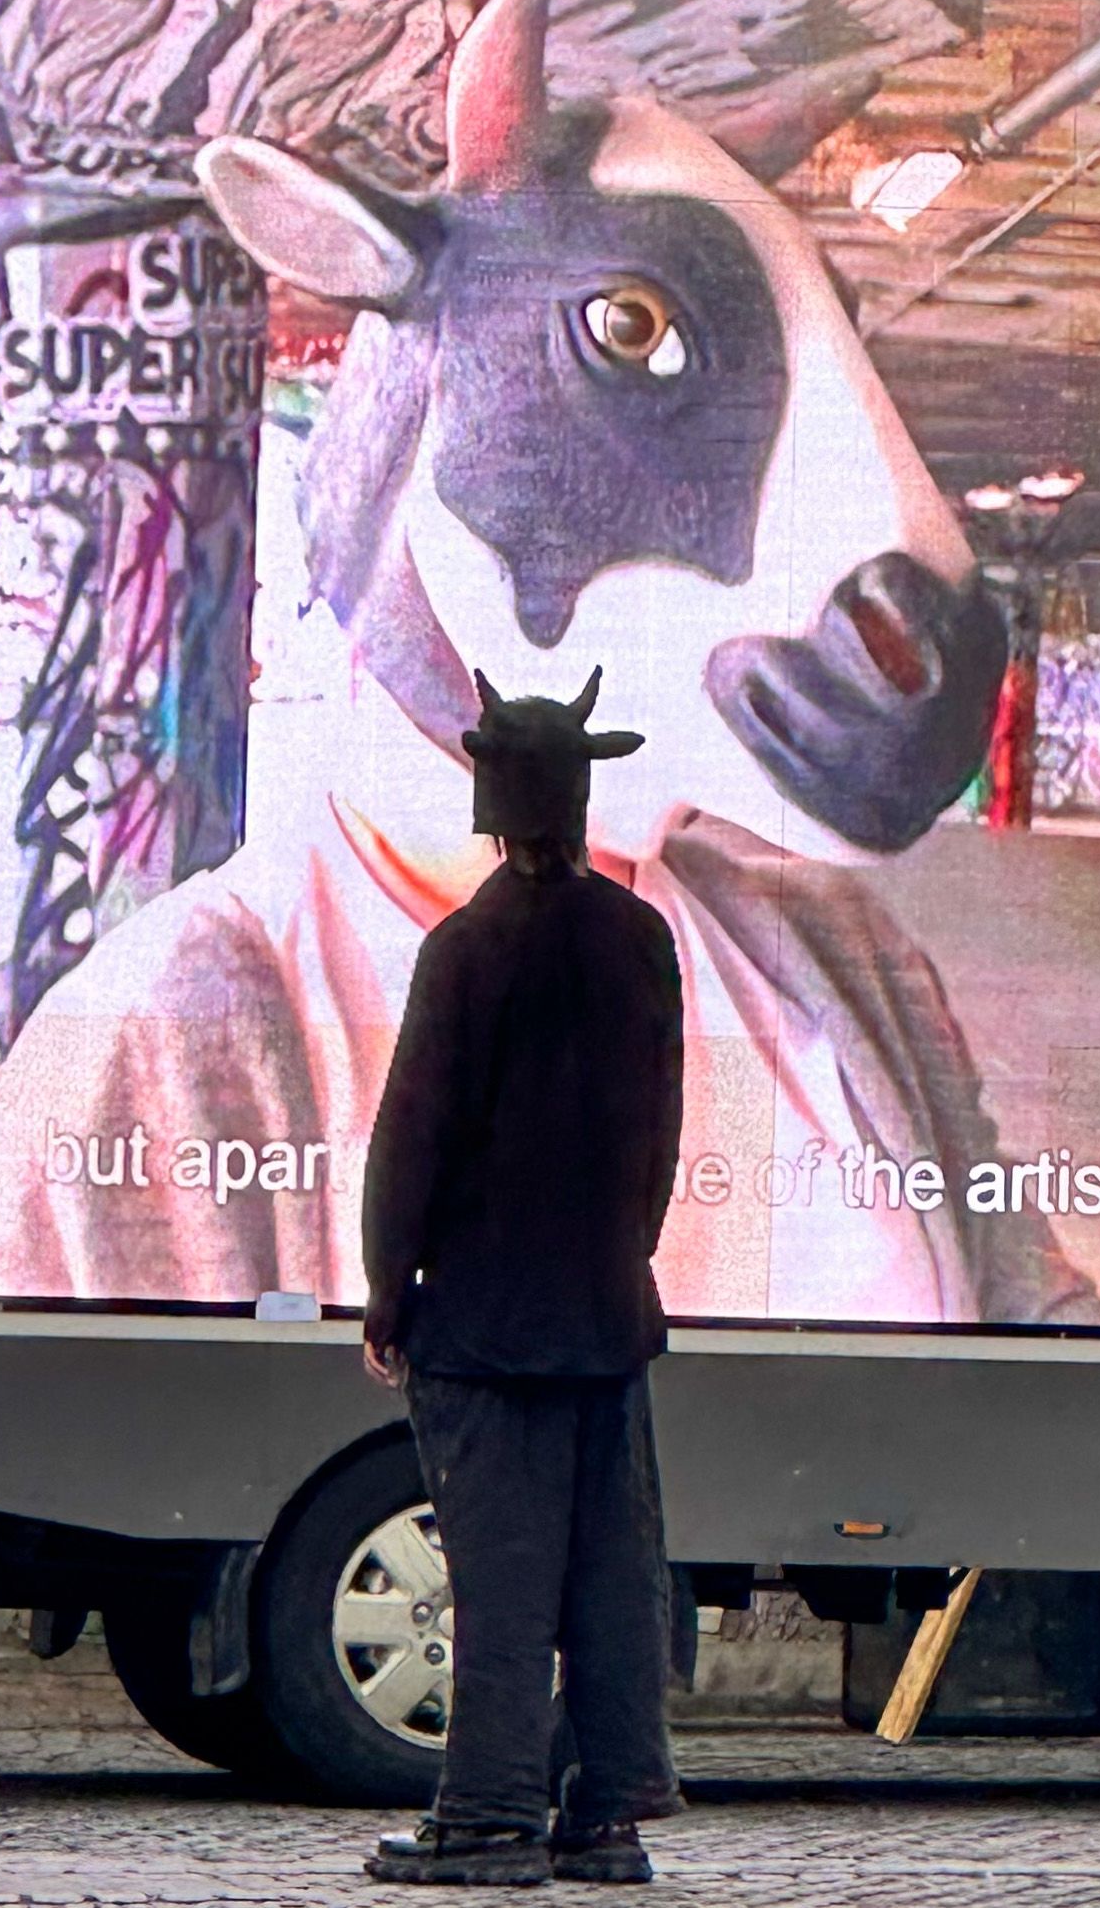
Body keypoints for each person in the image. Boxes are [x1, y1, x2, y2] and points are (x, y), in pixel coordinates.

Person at [360, 673, 687, 1891]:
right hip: (605, 1314)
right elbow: (658, 1129)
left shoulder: (465, 948)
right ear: (583, 790)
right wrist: (623, 1255)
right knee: (611, 1569)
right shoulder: (638, 935)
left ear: (491, 799)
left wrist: (388, 1289)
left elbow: (413, 1134)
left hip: (487, 1322)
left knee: (500, 1575)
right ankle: (606, 1812)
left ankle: (490, 1814)